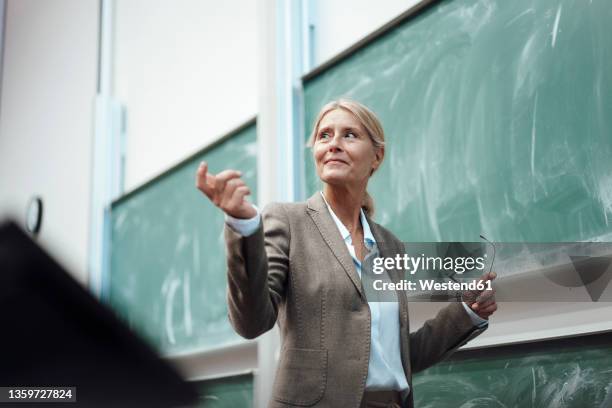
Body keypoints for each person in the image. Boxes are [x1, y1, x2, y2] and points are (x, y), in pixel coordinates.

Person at [195, 99, 497, 408]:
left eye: (349, 135)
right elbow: (251, 323)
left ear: (376, 157)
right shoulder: (288, 221)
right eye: (325, 135)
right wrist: (244, 226)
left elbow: (397, 357)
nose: (334, 144)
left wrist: (466, 311)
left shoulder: (390, 245)